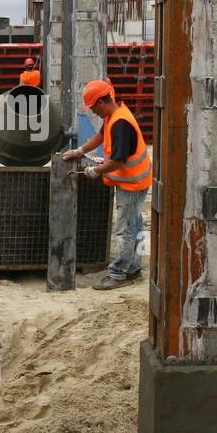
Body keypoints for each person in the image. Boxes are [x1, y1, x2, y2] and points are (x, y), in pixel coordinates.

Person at [64, 80, 152, 290]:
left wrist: (96, 170)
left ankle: (119, 274)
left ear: (102, 102)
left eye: (93, 106)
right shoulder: (114, 114)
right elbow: (100, 137)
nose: (93, 111)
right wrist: (80, 151)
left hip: (132, 183)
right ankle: (134, 268)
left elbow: (118, 161)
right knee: (136, 225)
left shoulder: (121, 123)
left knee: (125, 229)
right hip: (137, 179)